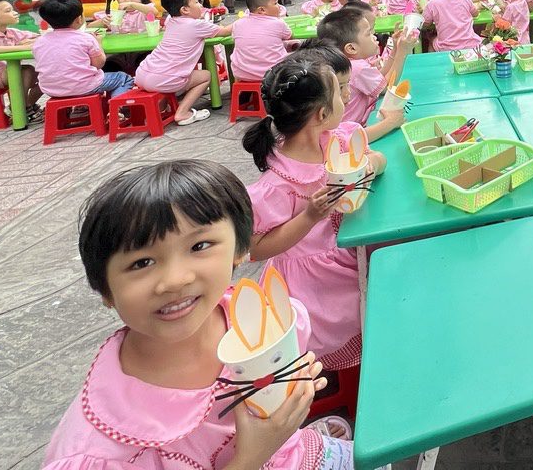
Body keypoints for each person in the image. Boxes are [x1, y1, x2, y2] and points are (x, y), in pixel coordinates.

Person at [43, 160, 346, 470]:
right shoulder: (100, 450)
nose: (175, 280)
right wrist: (252, 457)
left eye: (200, 245)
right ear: (105, 290)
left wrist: (290, 401)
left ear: (239, 249)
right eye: (141, 263)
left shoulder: (255, 317)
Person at [243, 57, 385, 372]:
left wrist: (368, 167)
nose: (347, 97)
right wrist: (309, 216)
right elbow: (255, 248)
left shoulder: (336, 140)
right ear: (322, 114)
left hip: (350, 241)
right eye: (340, 93)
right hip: (315, 277)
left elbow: (378, 158)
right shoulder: (277, 184)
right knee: (372, 297)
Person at [134, 0, 228, 125]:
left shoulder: (171, 21)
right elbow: (225, 31)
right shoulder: (196, 25)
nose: (200, 5)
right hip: (164, 79)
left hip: (142, 74)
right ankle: (183, 112)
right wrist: (246, 20)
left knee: (168, 75)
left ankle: (157, 112)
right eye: (196, 2)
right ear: (185, 9)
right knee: (206, 76)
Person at [315, 6, 413, 129]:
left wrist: (395, 49)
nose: (374, 36)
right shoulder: (357, 67)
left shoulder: (352, 62)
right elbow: (386, 87)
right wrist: (403, 52)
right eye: (369, 33)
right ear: (351, 48)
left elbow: (379, 79)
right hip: (354, 129)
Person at [33, 0, 134, 101]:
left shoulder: (40, 41)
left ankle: (80, 108)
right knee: (123, 78)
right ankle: (116, 107)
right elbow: (99, 64)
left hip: (51, 89)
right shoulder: (85, 38)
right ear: (79, 19)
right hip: (83, 86)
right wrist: (98, 43)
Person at [231, 0, 294, 83]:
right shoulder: (278, 23)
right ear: (262, 10)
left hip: (243, 75)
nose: (279, 7)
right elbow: (289, 35)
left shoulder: (237, 24)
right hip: (273, 73)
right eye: (276, 3)